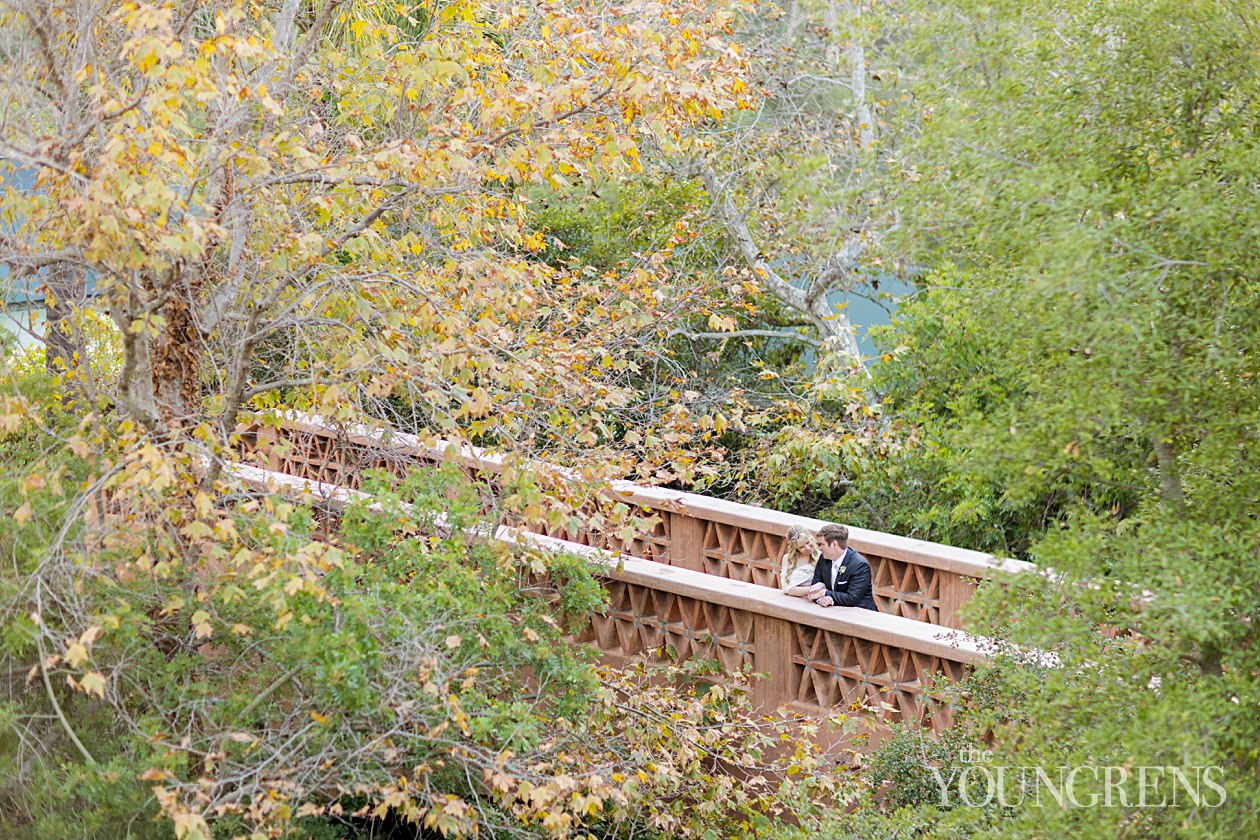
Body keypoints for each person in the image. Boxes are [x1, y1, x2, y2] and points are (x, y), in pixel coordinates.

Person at [806, 523, 878, 611]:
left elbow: (852, 598)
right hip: (832, 611)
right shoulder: (824, 558)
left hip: (859, 614)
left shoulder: (859, 565)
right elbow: (815, 585)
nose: (819, 548)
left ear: (834, 545)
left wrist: (824, 593)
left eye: (821, 544)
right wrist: (820, 599)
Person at [778, 525, 819, 596]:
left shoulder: (821, 556)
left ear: (811, 538)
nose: (808, 548)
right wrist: (811, 589)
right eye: (801, 547)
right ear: (796, 548)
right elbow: (786, 588)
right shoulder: (787, 559)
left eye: (808, 542)